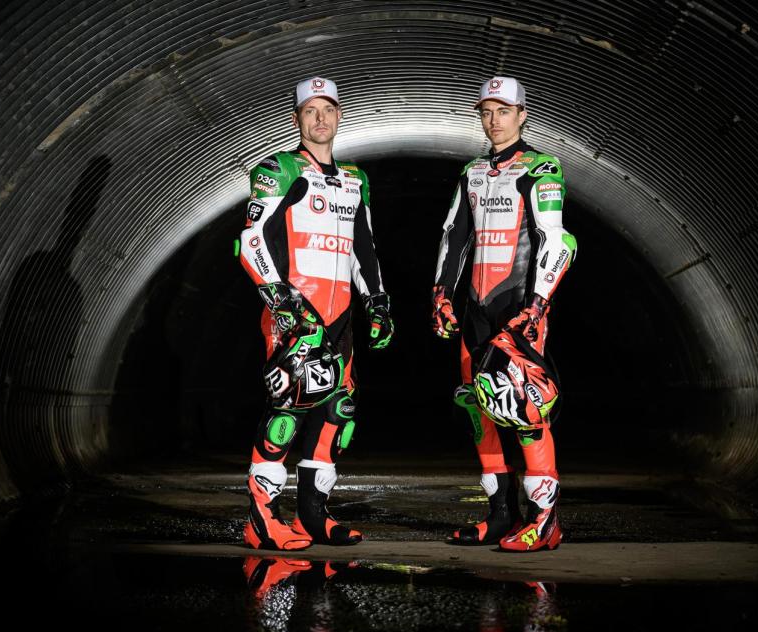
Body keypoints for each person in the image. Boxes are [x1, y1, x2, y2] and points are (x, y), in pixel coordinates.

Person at [236, 76, 393, 550]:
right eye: (310, 111)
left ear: (339, 116)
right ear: (296, 118)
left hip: (340, 318)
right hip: (293, 317)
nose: (320, 118)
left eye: (327, 109)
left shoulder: (356, 180)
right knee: (285, 411)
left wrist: (378, 302)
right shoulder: (279, 169)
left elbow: (364, 248)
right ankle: (261, 519)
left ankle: (312, 515)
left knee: (338, 410)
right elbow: (251, 240)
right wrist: (283, 302)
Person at [432, 76, 576, 552]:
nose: (494, 120)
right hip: (475, 310)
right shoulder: (472, 171)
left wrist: (537, 305)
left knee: (526, 408)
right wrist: (441, 295)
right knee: (477, 406)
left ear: (522, 115)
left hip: (520, 309)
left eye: (504, 111)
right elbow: (454, 235)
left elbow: (557, 240)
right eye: (487, 112)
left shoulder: (542, 168)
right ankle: (499, 514)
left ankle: (545, 520)